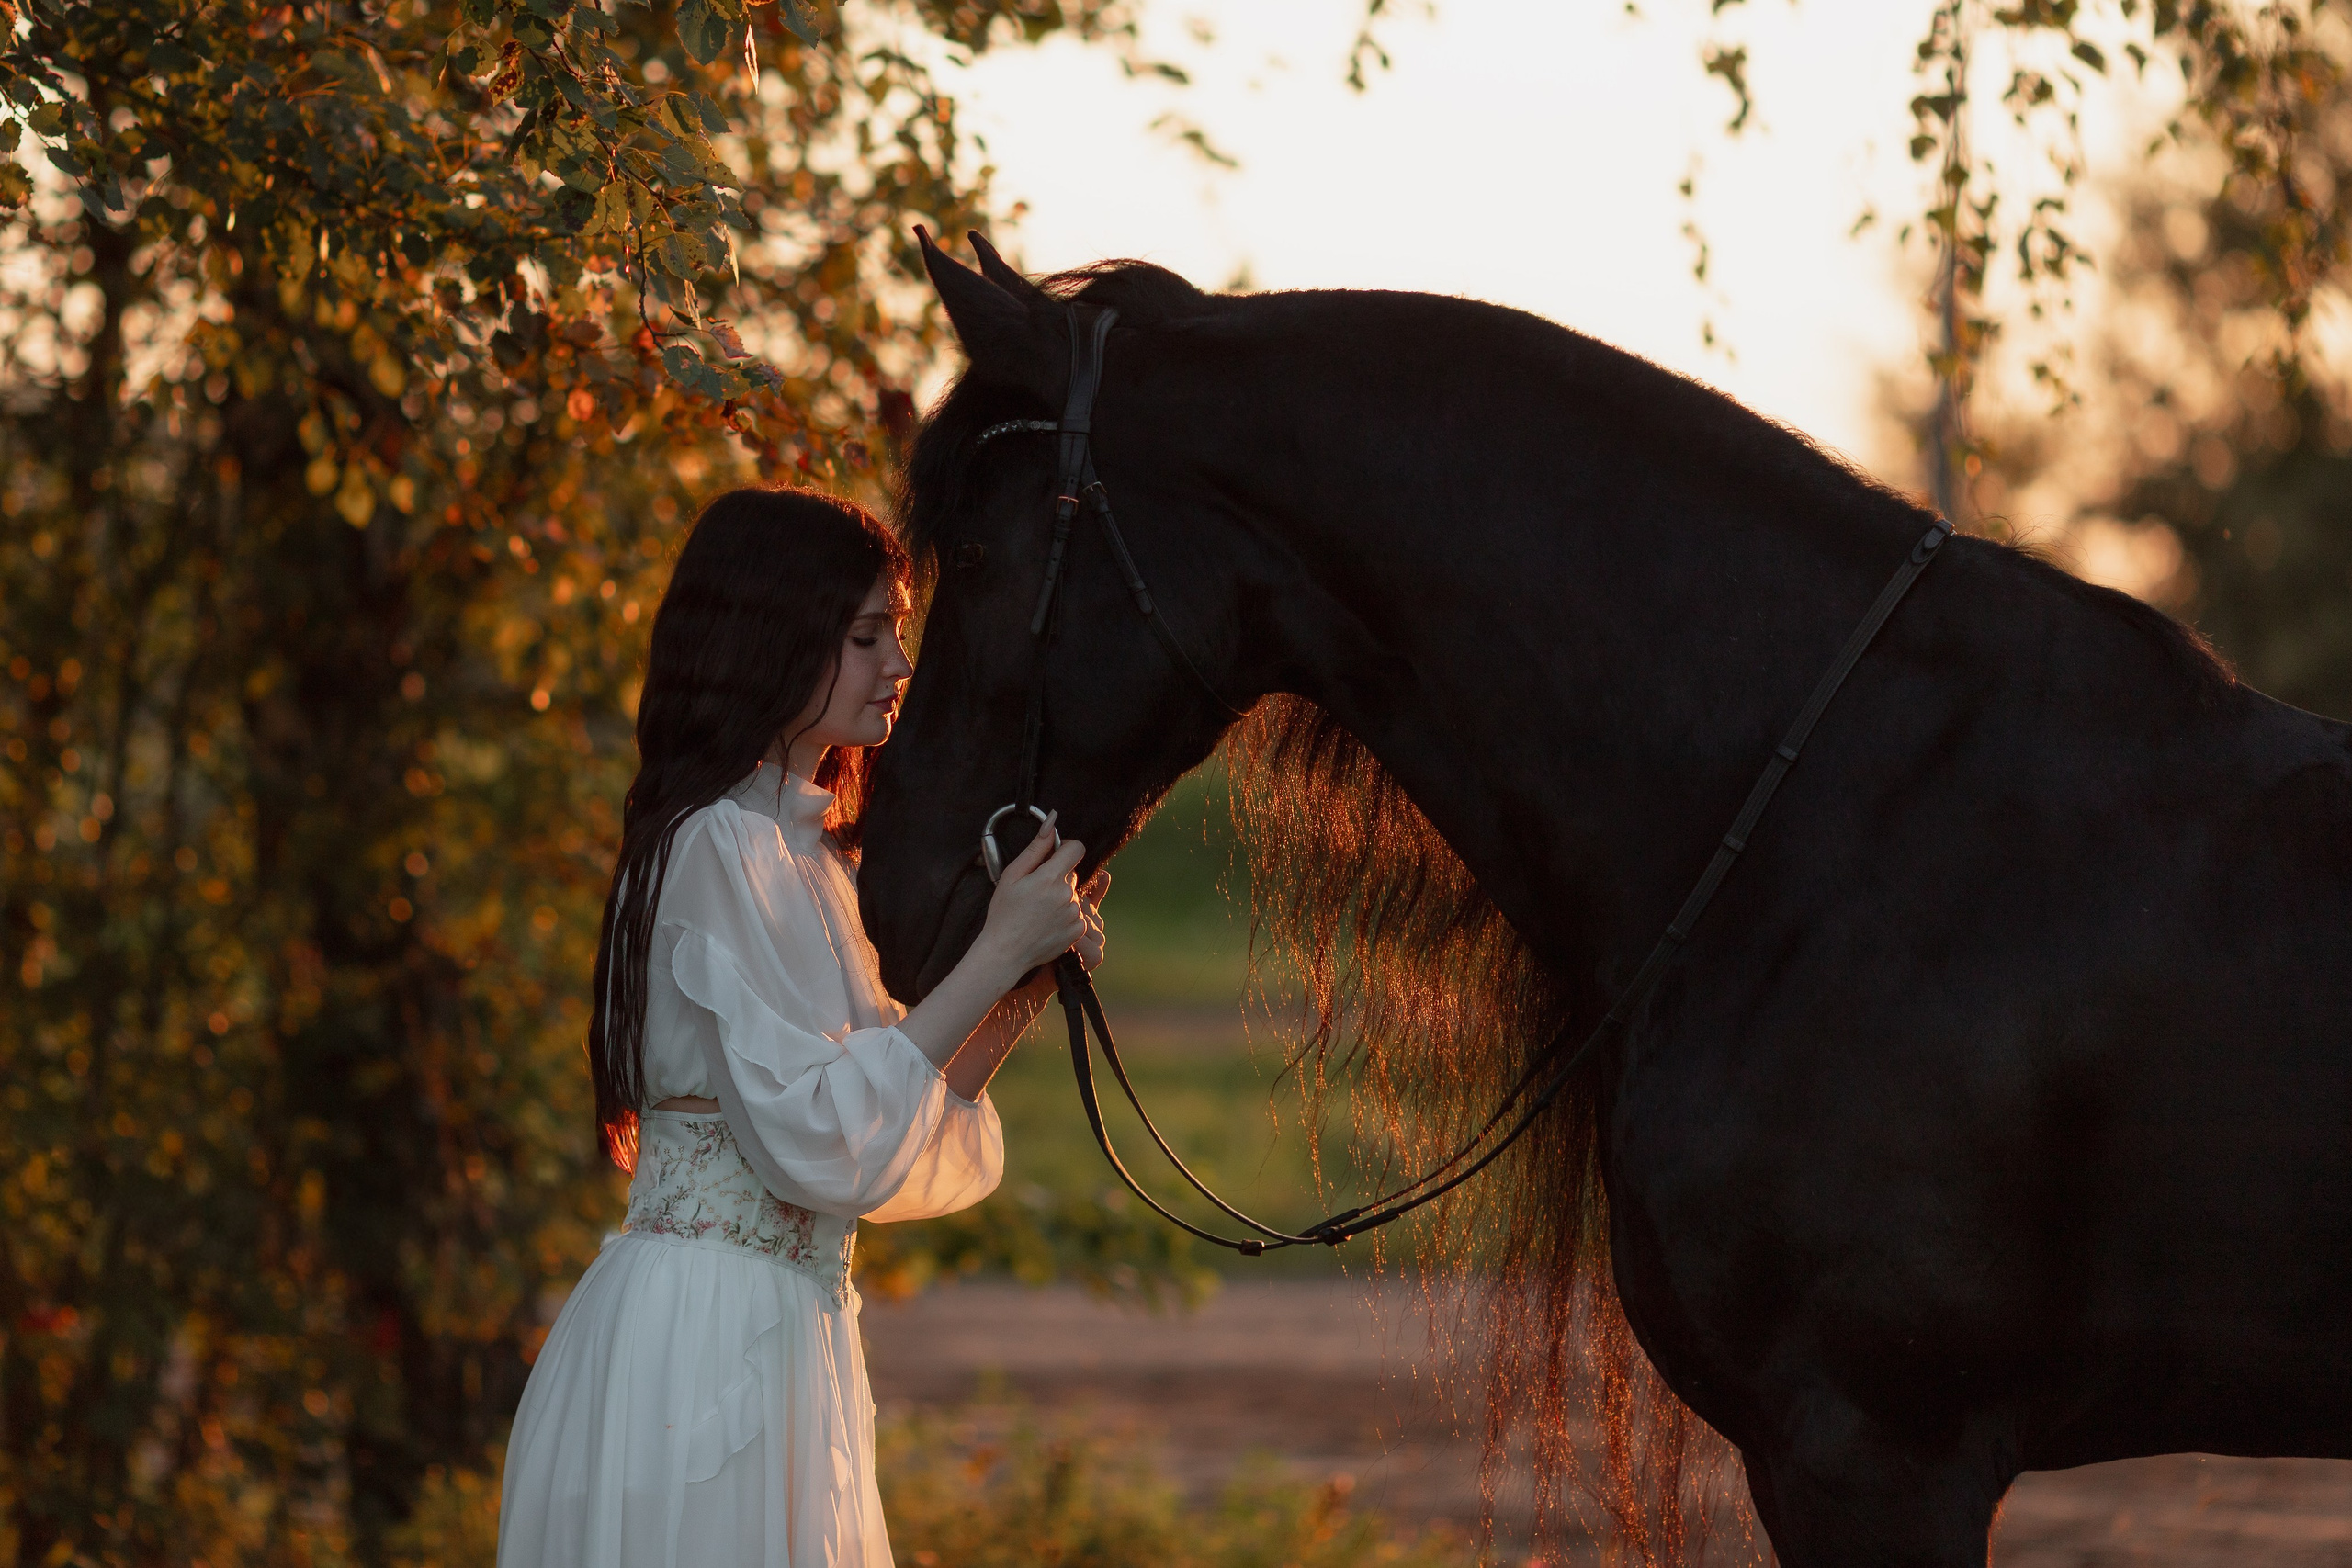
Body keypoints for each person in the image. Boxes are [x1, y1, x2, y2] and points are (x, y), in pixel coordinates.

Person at [496, 488, 1104, 1567]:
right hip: (699, 1344)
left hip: (781, 1329)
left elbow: (883, 1133)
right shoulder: (715, 845)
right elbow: (822, 1134)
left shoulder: (812, 860)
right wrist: (995, 953)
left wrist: (1027, 982)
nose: (899, 671)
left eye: (899, 636)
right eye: (869, 636)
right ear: (774, 633)